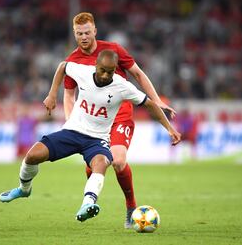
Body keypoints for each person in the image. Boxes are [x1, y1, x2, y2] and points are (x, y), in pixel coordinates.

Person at [0, 50, 181, 223]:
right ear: (95, 66)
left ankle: (88, 204)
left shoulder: (122, 86)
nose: (105, 75)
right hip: (71, 132)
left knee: (101, 162)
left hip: (97, 140)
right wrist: (52, 94)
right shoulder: (82, 71)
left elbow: (149, 105)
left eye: (110, 72)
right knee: (32, 156)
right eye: (102, 70)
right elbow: (63, 66)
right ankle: (24, 189)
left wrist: (169, 128)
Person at [61, 12, 177, 228]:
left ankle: (131, 207)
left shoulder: (113, 50)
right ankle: (91, 198)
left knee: (118, 160)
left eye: (87, 32)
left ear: (94, 31)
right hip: (91, 120)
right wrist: (71, 124)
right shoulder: (73, 61)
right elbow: (68, 94)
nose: (84, 37)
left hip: (120, 114)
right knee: (95, 162)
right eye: (79, 34)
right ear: (74, 34)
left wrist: (156, 100)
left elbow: (138, 74)